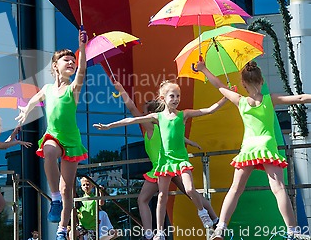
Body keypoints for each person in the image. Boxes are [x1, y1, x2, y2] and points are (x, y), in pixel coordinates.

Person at [94, 80, 227, 239]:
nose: (142, 114)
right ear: (163, 100)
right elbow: (175, 136)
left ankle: (152, 232)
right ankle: (211, 219)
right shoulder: (158, 121)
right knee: (179, 194)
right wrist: (189, 142)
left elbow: (132, 111)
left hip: (169, 164)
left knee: (184, 192)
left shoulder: (151, 125)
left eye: (144, 111)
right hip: (164, 165)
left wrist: (121, 89)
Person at [197, 60, 311, 240]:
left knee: (235, 189)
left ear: (243, 83)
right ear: (262, 81)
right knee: (279, 189)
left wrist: (204, 69)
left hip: (249, 148)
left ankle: (220, 228)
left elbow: (219, 86)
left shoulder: (240, 100)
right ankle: (293, 230)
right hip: (267, 147)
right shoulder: (269, 99)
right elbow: (299, 98)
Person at [16, 29, 88, 240]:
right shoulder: (47, 88)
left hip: (72, 139)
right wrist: (25, 110)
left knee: (68, 189)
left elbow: (82, 68)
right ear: (55, 66)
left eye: (72, 61)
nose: (71, 63)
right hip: (53, 134)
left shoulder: (73, 88)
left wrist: (81, 46)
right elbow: (33, 100)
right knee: (48, 151)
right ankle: (54, 198)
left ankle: (62, 229)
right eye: (66, 60)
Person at [76, 176, 117, 240]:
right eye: (84, 185)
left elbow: (101, 203)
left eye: (88, 184)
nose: (86, 186)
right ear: (81, 187)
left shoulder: (94, 198)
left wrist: (101, 192)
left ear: (92, 186)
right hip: (83, 226)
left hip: (92, 227)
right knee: (74, 233)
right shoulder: (80, 200)